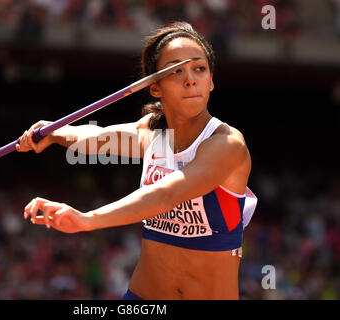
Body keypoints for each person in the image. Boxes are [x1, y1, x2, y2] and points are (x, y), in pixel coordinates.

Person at [16, 21, 257, 300]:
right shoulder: (154, 133)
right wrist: (56, 132)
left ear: (211, 80)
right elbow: (99, 137)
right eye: (176, 70)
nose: (190, 78)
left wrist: (87, 220)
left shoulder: (226, 144)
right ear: (155, 88)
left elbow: (168, 194)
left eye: (199, 68)